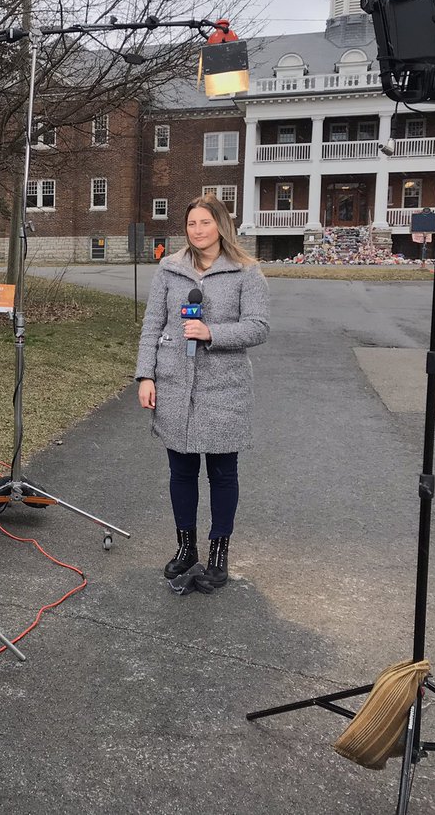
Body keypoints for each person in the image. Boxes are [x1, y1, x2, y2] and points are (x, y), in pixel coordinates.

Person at [135, 195, 270, 588]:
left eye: (205, 223)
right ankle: (186, 547)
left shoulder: (246, 271)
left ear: (221, 226)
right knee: (181, 472)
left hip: (223, 387)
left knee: (223, 474)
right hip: (174, 383)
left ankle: (218, 552)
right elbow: (152, 325)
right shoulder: (169, 270)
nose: (197, 230)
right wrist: (146, 376)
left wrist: (213, 333)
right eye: (191, 223)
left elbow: (259, 327)